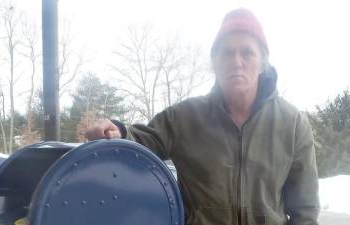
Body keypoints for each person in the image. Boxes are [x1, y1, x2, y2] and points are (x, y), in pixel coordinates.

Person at [84, 8, 320, 225]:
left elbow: (305, 211)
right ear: (214, 63)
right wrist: (117, 131)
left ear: (262, 63)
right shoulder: (185, 117)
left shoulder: (293, 124)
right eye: (227, 53)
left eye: (247, 52)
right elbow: (144, 141)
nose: (236, 62)